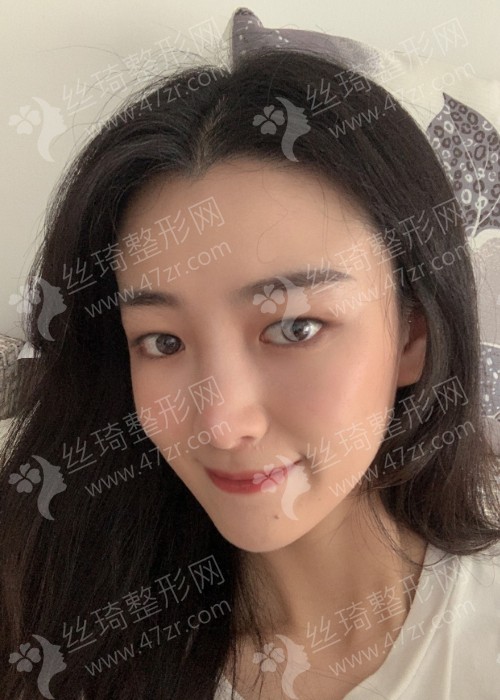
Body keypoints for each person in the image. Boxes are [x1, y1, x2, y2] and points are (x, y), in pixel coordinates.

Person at [0, 46, 499, 700]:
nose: (220, 423)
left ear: (412, 335)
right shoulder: (55, 615)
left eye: (295, 328)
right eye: (162, 341)